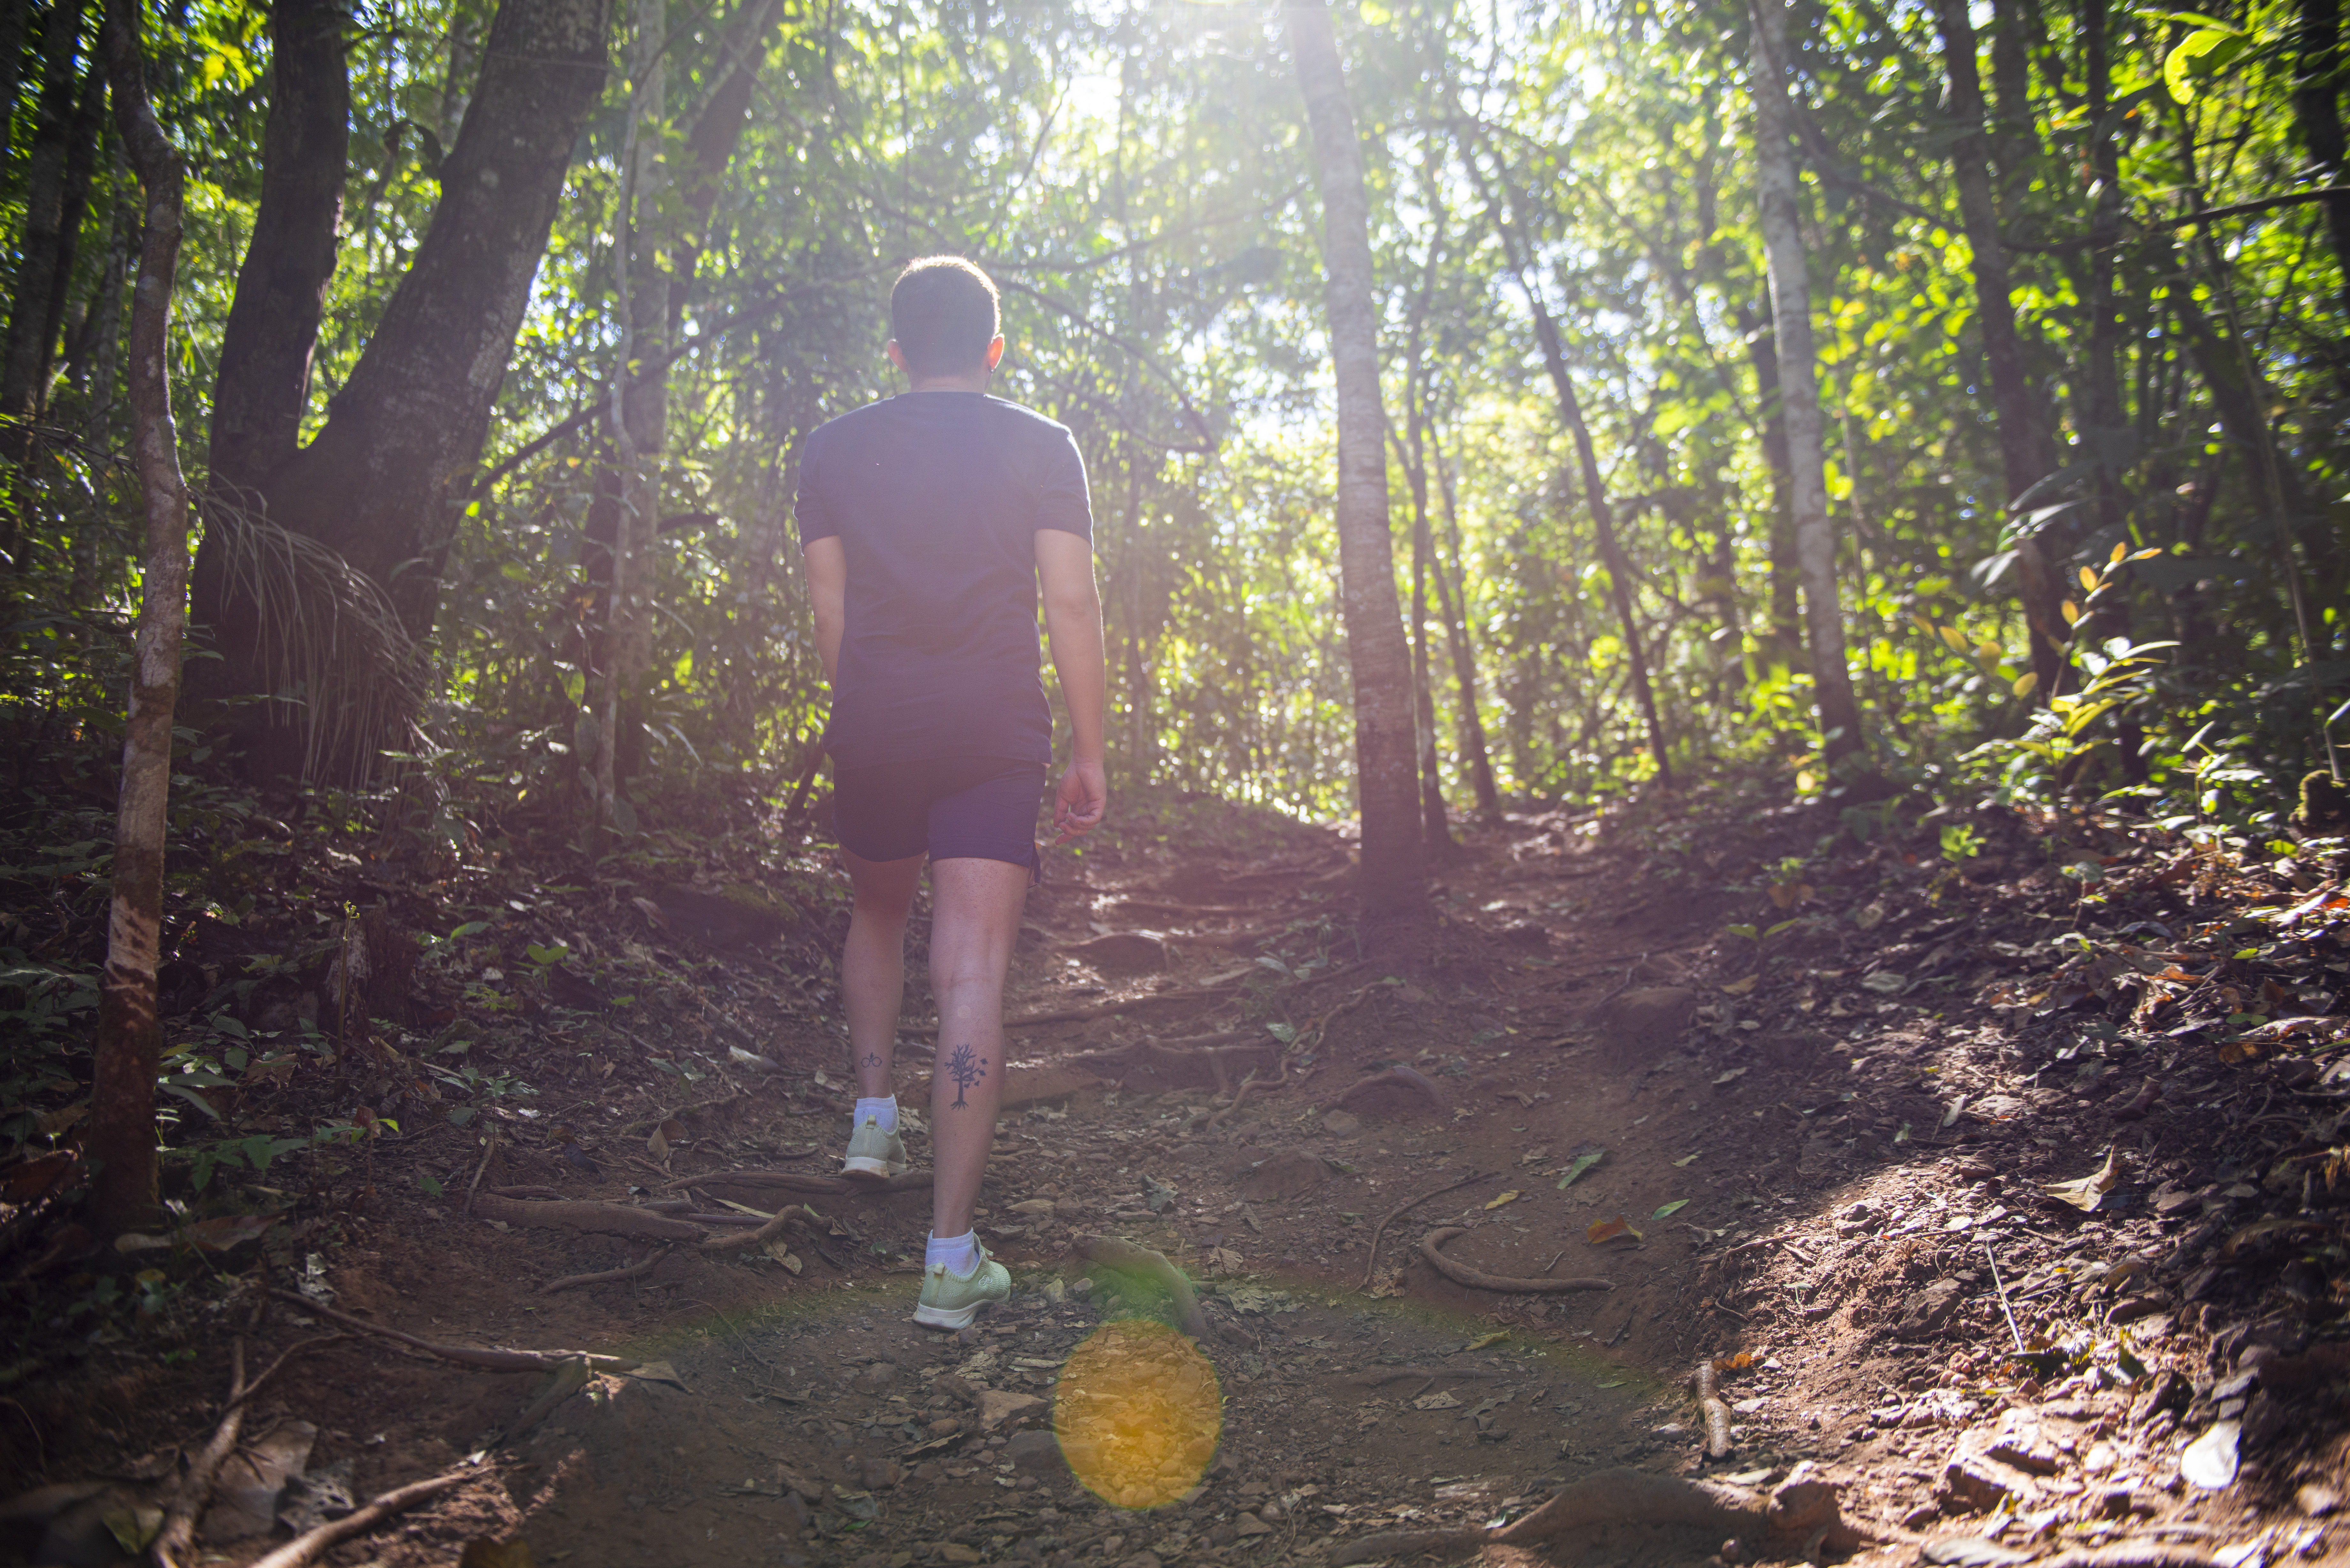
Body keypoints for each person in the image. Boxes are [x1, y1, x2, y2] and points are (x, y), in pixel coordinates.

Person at [794, 256, 1109, 1330]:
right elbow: (1070, 603)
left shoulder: (831, 449)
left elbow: (830, 617)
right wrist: (1091, 748)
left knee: (878, 907)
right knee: (971, 971)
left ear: (894, 353)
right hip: (992, 731)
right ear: (994, 347)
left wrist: (870, 713)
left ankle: (873, 1118)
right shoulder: (1043, 446)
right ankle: (948, 1264)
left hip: (874, 721)